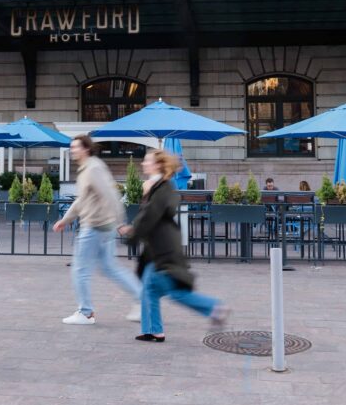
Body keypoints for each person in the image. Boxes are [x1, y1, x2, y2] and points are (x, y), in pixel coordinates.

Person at [120, 149, 227, 343]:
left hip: (163, 249)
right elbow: (148, 216)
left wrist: (132, 234)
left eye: (147, 161)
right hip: (156, 249)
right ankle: (154, 330)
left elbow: (149, 217)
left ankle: (213, 307)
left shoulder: (161, 187)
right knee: (149, 289)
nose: (143, 164)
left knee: (172, 290)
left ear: (157, 165)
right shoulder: (157, 186)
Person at [54, 134, 141, 325]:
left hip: (95, 226)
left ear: (85, 148)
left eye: (75, 147)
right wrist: (66, 219)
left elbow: (110, 195)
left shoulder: (93, 168)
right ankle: (144, 300)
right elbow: (82, 199)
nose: (72, 150)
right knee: (110, 268)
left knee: (80, 270)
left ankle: (85, 313)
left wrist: (121, 222)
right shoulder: (87, 168)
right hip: (102, 226)